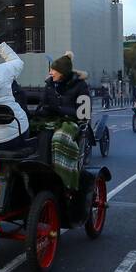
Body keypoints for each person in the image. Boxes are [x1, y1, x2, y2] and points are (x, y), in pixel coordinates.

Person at [38, 52, 90, 192]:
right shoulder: (49, 84)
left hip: (72, 123)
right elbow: (43, 105)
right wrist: (43, 110)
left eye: (53, 70)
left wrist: (60, 109)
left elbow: (84, 114)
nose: (50, 72)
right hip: (51, 120)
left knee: (60, 138)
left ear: (62, 72)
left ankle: (64, 180)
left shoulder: (81, 86)